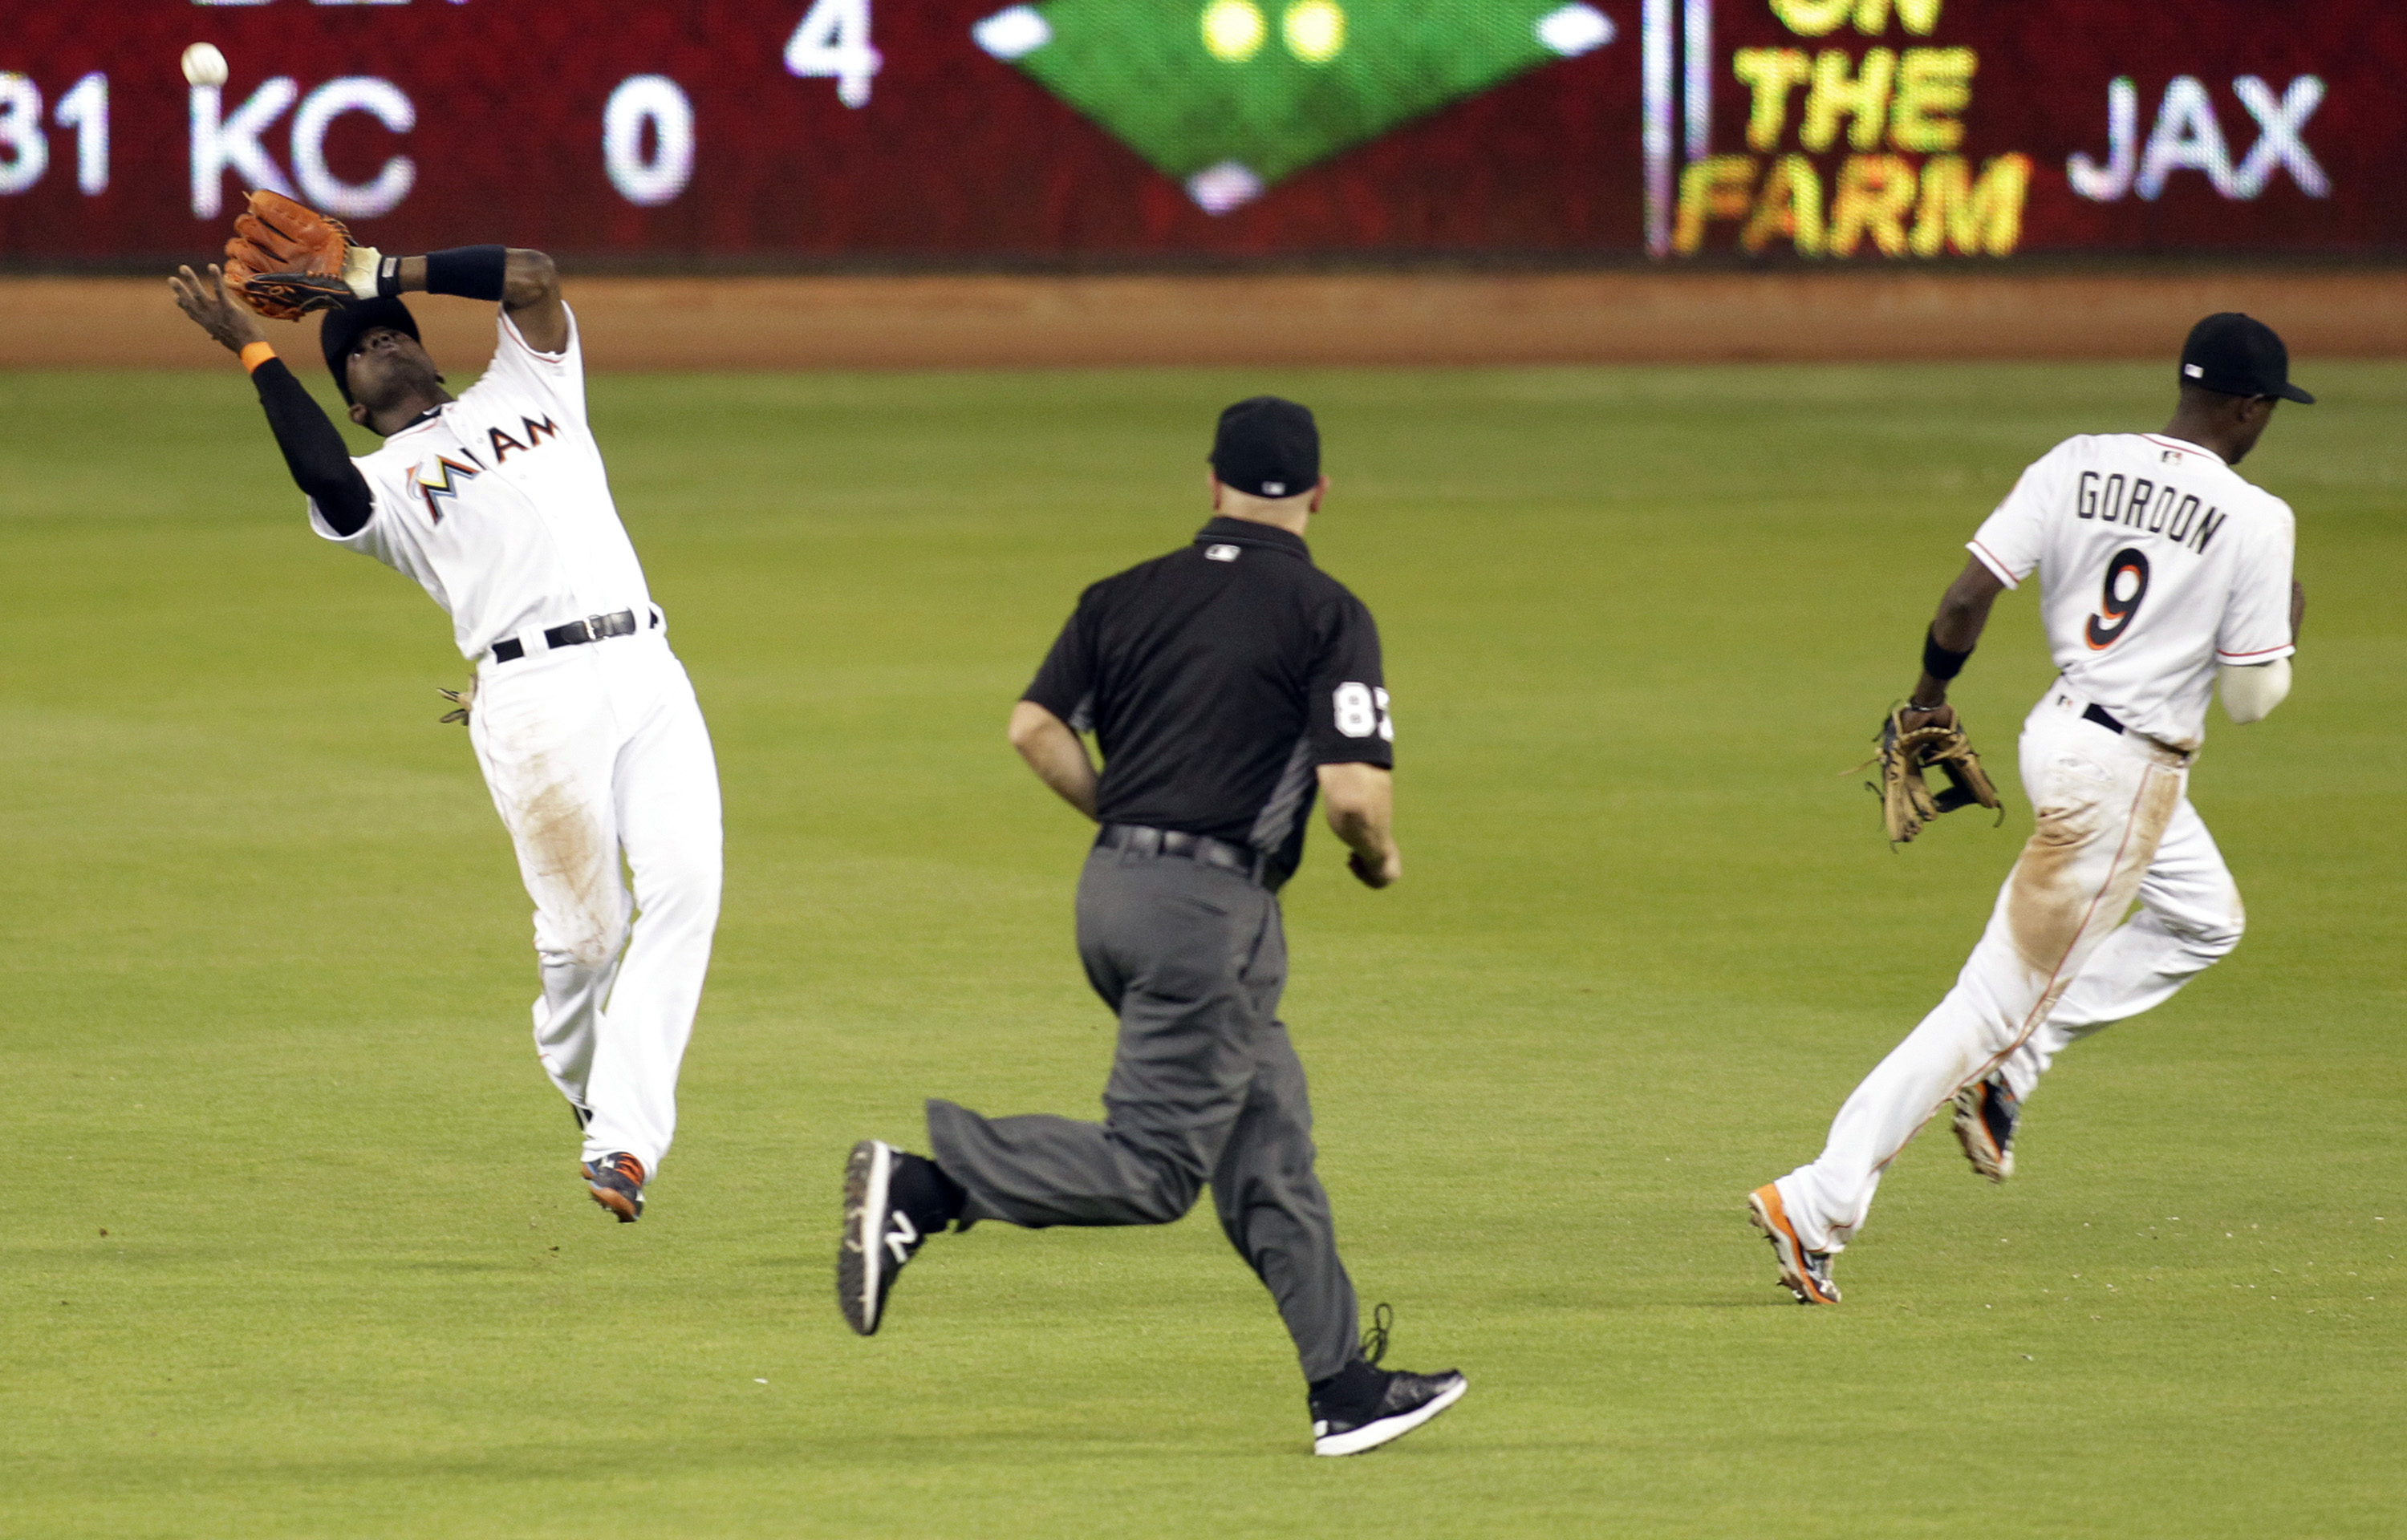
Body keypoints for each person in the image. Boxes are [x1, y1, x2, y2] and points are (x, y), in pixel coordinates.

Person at [834, 397, 1466, 1456]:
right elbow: (1355, 793)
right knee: (1156, 1170)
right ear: (1318, 494)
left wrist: (1131, 826)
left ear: (1209, 482)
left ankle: (1343, 1389)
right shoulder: (1327, 612)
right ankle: (930, 1186)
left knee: (1269, 1146)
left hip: (1113, 895)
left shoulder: (1122, 596)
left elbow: (1033, 731)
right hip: (1210, 920)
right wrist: (1379, 856)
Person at [1749, 313, 2309, 1303]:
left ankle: (2013, 1071)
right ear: (2250, 406)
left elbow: (1965, 600)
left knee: (2204, 919)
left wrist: (1927, 699)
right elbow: (2255, 700)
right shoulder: (2257, 517)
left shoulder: (2079, 460)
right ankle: (1819, 1198)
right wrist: (2285, 629)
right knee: (1988, 1004)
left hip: (2055, 735)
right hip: (2126, 776)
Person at [168, 247, 721, 1225]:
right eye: (359, 351)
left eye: (390, 334)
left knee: (686, 892)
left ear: (429, 355)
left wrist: (385, 273)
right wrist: (253, 347)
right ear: (349, 399)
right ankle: (584, 1082)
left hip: (648, 670)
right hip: (533, 697)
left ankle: (626, 1144)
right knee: (588, 946)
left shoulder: (532, 381)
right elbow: (321, 478)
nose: (380, 345)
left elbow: (537, 277)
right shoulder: (379, 487)